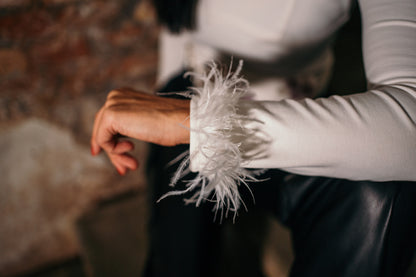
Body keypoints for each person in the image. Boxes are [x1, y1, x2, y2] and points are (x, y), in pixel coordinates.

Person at [91, 0, 416, 276]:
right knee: (177, 258)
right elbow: (180, 28)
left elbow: (411, 132)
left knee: (380, 193)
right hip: (196, 88)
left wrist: (198, 124)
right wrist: (169, 94)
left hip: (292, 109)